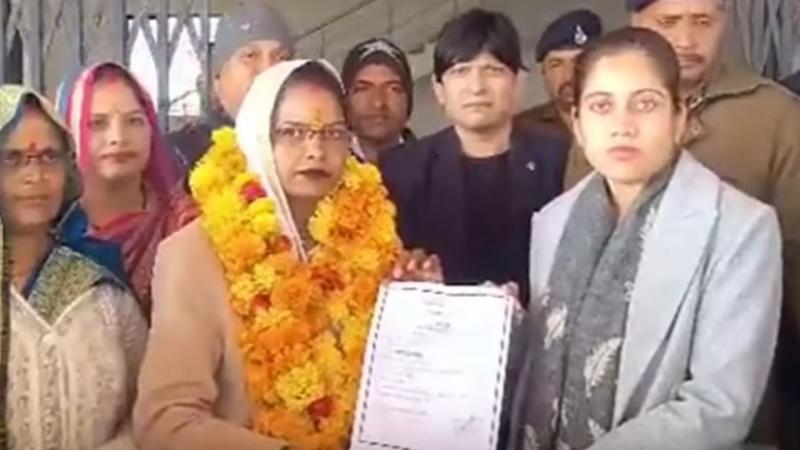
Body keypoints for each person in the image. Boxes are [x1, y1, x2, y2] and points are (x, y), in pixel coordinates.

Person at [133, 59, 442, 450]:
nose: (316, 150)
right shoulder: (194, 255)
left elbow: (404, 394)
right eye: (294, 132)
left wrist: (424, 310)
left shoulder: (374, 242)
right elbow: (165, 422)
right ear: (259, 136)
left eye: (332, 132)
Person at [509, 27, 782, 450]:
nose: (623, 126)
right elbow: (542, 361)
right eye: (602, 106)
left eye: (646, 104)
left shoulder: (741, 228)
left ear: (679, 117)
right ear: (577, 124)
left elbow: (719, 406)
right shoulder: (554, 220)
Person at [379, 8, 567, 305]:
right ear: (439, 90)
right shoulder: (400, 171)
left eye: (492, 70)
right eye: (460, 71)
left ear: (518, 83)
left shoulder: (560, 159)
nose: (477, 87)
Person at [0, 85, 147, 449]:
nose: (35, 175)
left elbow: (145, 410)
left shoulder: (102, 288)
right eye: (13, 159)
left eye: (48, 157)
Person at [58, 62, 196, 319]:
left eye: (134, 121)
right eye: (97, 124)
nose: (118, 137)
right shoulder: (51, 231)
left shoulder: (185, 224)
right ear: (70, 135)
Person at [167, 3, 294, 171]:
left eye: (281, 58)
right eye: (250, 56)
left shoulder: (310, 151)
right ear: (217, 78)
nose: (268, 70)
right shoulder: (176, 156)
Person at [514, 9, 603, 140]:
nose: (569, 76)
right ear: (542, 71)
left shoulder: (621, 122)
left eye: (579, 61)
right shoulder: (519, 130)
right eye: (556, 64)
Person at [341, 37, 416, 162]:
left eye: (393, 89)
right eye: (363, 89)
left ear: (408, 101)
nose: (378, 103)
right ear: (345, 100)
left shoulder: (435, 169)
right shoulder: (325, 170)